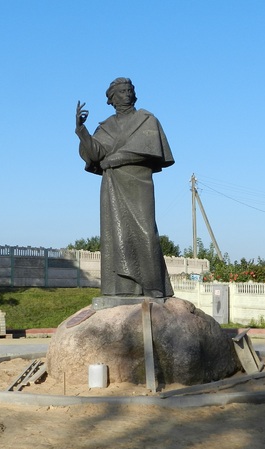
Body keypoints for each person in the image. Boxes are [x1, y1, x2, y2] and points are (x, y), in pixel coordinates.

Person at [75, 77, 174, 298]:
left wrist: (117, 158)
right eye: (121, 91)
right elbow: (95, 155)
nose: (127, 93)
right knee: (117, 235)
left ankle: (153, 286)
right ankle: (123, 288)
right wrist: (82, 131)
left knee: (146, 231)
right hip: (113, 183)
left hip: (139, 181)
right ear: (111, 98)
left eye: (129, 90)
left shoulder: (146, 119)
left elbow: (149, 149)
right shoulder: (106, 126)